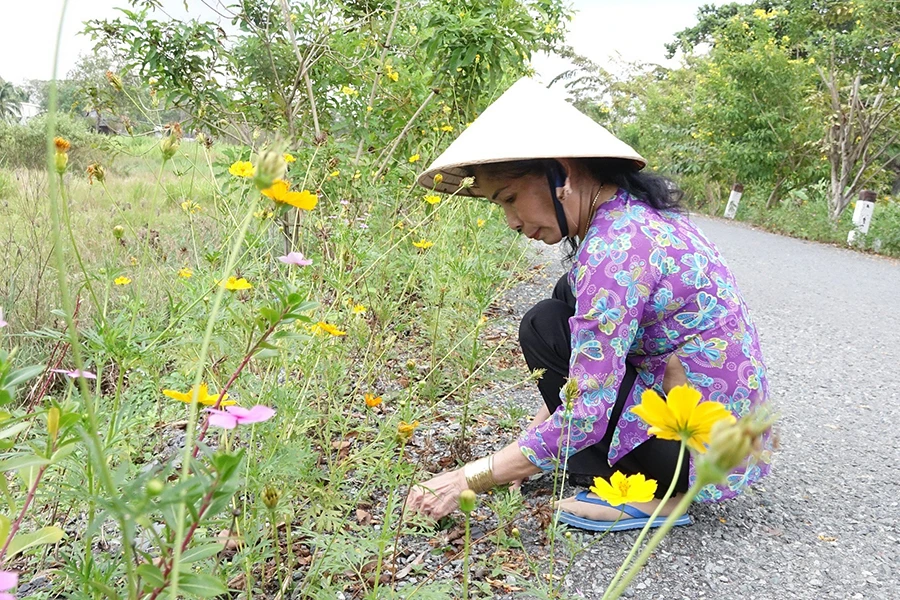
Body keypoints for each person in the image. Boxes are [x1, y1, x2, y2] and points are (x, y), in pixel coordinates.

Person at [406, 78, 772, 531]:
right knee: (565, 295)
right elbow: (580, 378)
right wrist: (526, 450)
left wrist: (470, 477)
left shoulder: (614, 251)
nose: (513, 222)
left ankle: (665, 496)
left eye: (510, 199)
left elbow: (586, 408)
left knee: (543, 325)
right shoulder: (633, 216)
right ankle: (596, 464)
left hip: (695, 452)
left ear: (561, 174)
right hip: (721, 433)